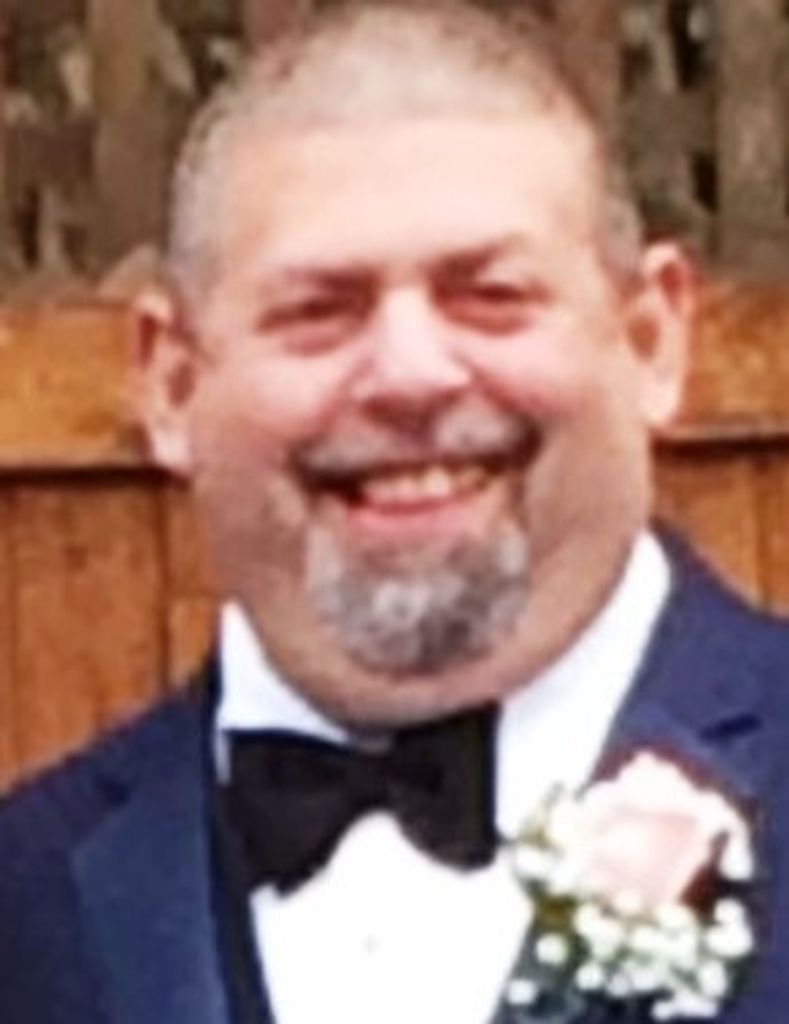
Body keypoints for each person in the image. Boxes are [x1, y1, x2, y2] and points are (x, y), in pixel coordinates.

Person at [1, 3, 788, 1022]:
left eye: (490, 295)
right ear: (172, 380)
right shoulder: (27, 898)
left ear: (651, 339)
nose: (410, 375)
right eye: (317, 311)